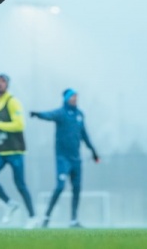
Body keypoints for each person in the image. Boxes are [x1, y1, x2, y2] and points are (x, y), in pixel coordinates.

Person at [31, 88, 99, 228]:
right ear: (66, 98)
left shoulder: (80, 115)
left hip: (76, 159)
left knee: (77, 188)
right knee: (60, 187)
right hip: (63, 158)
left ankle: (74, 219)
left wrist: (93, 152)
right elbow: (49, 115)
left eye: (76, 96)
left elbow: (84, 135)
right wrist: (38, 115)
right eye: (72, 96)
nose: (75, 99)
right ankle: (46, 216)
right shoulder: (61, 113)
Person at [0, 74, 39, 228]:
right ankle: (9, 203)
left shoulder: (13, 102)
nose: (0, 84)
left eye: (3, 81)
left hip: (15, 151)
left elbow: (19, 125)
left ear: (7, 84)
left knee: (20, 184)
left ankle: (33, 217)